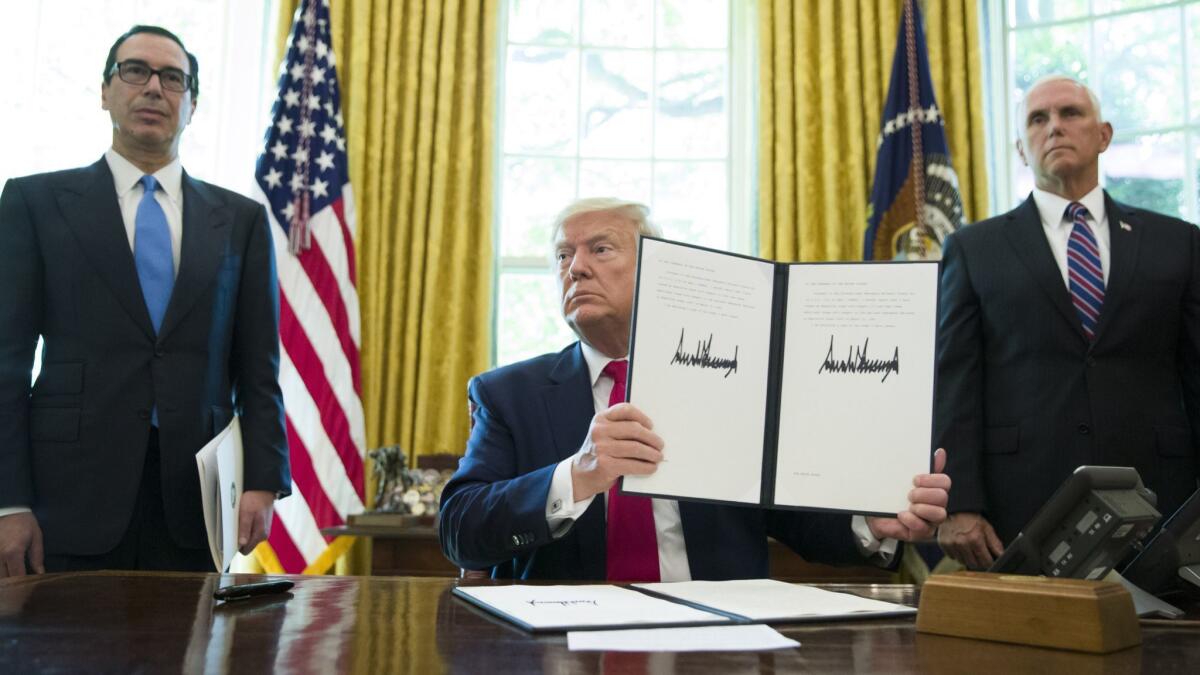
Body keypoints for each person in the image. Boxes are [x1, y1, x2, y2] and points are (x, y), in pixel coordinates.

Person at [440, 197, 950, 581]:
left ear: (658, 270)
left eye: (600, 249)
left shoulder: (734, 377)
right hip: (566, 640)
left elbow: (789, 515)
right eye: (562, 256)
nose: (575, 267)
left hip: (718, 637)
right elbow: (458, 530)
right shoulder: (508, 394)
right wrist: (575, 476)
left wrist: (870, 520)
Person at [0, 25, 290, 576]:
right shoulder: (34, 203)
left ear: (192, 104)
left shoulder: (241, 222)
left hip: (197, 501)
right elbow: (5, 364)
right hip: (66, 497)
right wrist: (8, 502)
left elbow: (258, 368)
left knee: (187, 659)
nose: (154, 88)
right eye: (135, 71)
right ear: (106, 91)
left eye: (173, 78)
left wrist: (262, 480)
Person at [935, 75, 1200, 569]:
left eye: (1070, 113)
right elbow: (954, 382)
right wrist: (959, 502)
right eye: (1038, 119)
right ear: (1021, 149)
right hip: (1022, 503)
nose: (1054, 127)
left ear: (1103, 135)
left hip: (1162, 501)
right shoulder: (974, 249)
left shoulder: (1177, 242)